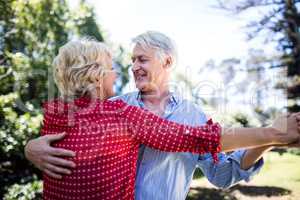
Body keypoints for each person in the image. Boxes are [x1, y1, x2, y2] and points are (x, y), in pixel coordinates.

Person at [25, 31, 300, 200]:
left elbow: (222, 174)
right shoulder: (119, 108)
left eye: (141, 59)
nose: (131, 68)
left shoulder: (193, 115)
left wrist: (272, 138)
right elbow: (193, 139)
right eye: (130, 61)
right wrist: (31, 149)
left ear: (167, 62)